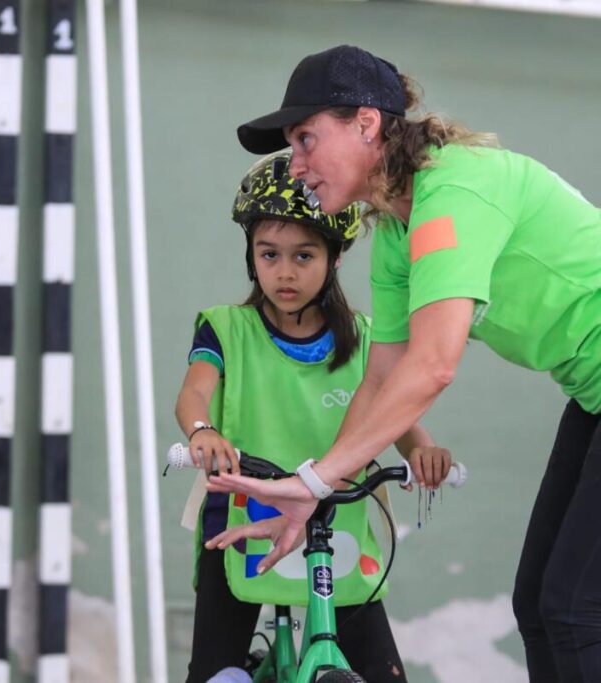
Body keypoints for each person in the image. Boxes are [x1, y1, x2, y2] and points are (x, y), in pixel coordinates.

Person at [211, 43, 601, 682]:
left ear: (367, 123)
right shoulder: (394, 230)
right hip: (592, 390)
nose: (297, 163)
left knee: (575, 608)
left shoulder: (458, 187)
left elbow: (432, 366)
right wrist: (319, 491)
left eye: (307, 139)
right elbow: (384, 375)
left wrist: (310, 480)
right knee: (539, 605)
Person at [175, 150, 452, 682]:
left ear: (335, 257)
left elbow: (397, 417)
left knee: (383, 673)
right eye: (269, 253)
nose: (284, 272)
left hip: (334, 522)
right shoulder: (225, 329)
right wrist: (202, 430)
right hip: (242, 520)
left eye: (304, 256)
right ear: (251, 255)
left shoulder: (369, 339)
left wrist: (422, 451)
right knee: (216, 674)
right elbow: (192, 394)